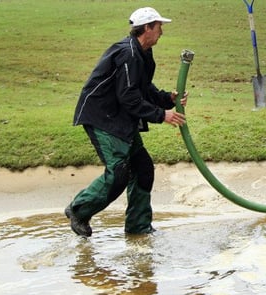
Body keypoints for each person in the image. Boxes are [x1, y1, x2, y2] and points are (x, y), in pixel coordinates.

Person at [65, 7, 188, 237]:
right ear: (147, 28)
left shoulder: (143, 53)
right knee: (119, 173)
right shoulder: (128, 54)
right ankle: (78, 210)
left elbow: (143, 89)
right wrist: (162, 115)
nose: (162, 31)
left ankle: (138, 228)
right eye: (159, 26)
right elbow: (129, 97)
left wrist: (167, 100)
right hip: (103, 118)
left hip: (121, 119)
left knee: (142, 169)